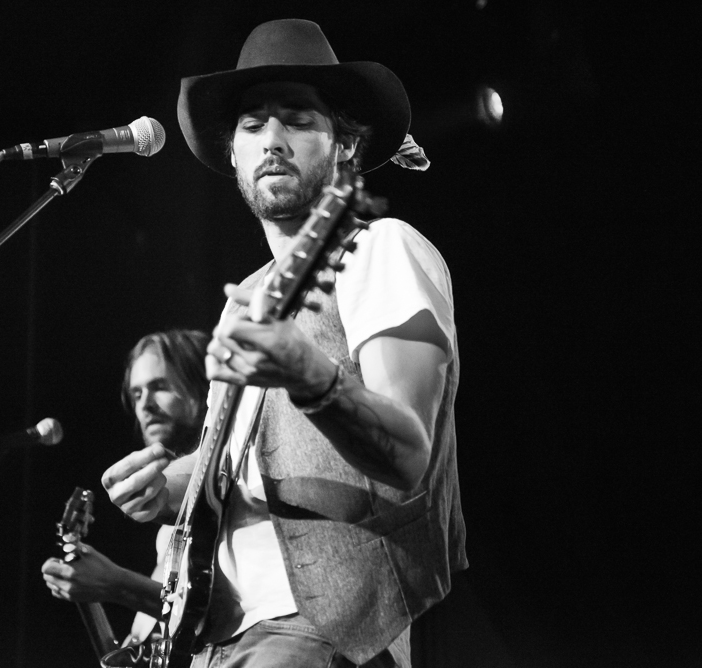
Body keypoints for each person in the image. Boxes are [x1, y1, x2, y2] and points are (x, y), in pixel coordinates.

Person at [102, 19, 467, 668]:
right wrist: (166, 483)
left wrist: (309, 374)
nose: (272, 140)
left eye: (297, 121)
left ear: (346, 145)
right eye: (252, 126)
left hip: (322, 624)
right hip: (212, 631)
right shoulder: (244, 298)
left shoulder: (380, 249)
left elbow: (410, 451)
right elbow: (234, 462)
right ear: (232, 155)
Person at [41, 329, 209, 647]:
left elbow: (218, 611)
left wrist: (117, 584)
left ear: (204, 389)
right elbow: (176, 609)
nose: (145, 405)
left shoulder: (227, 484)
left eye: (160, 387)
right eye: (136, 394)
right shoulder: (166, 525)